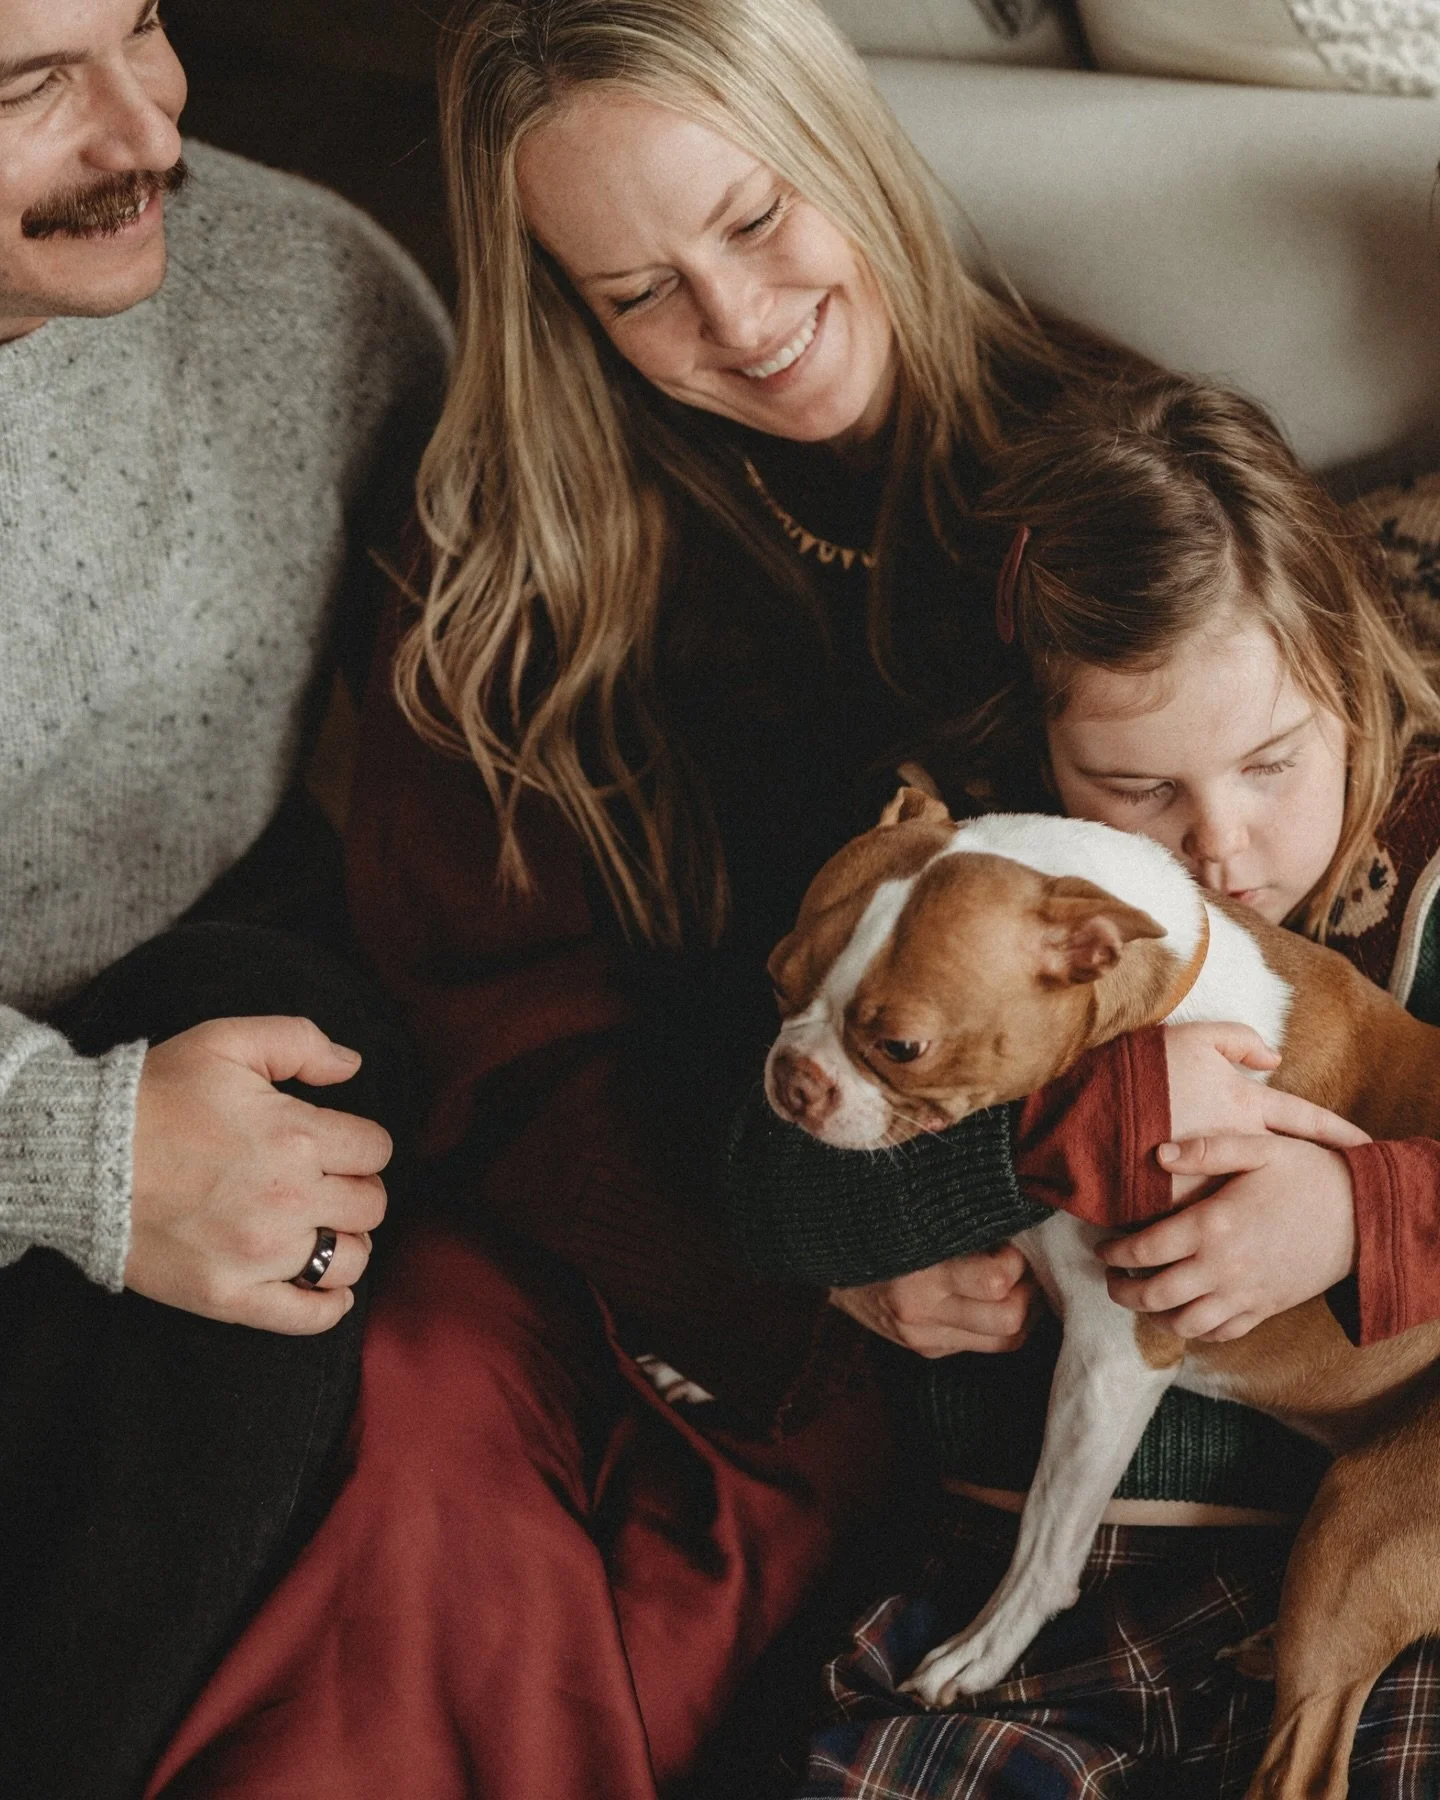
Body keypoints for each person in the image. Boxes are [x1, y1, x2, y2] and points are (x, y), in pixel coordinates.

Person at [133, 6, 1363, 1797]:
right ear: (563, 302)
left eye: (757, 218)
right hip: (625, 1218)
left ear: (848, 151)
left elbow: (1270, 788)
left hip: (987, 1265)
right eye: (635, 292)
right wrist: (806, 1277)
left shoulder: (1096, 467)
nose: (735, 321)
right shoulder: (495, 564)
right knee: (414, 1453)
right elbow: (497, 1034)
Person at [730, 373, 1440, 1798]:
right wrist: (885, 1255)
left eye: (1272, 762)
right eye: (1134, 787)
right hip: (1036, 1569)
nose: (1223, 844)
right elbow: (770, 1187)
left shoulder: (1429, 872)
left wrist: (1364, 1214)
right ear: (1046, 754)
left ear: (1352, 673)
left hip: (1365, 1556)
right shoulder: (953, 893)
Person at [0, 2, 450, 1795]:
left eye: (145, 25)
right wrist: (67, 1152)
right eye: (32, 86)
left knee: (290, 1042)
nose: (146, 125)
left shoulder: (308, 287)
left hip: (180, 1021)